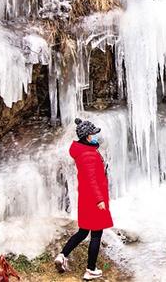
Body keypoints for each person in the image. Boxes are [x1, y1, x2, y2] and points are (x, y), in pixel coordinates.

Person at [54, 118, 114, 281]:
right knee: (96, 234)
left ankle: (62, 255)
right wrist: (99, 199)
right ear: (87, 136)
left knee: (82, 231)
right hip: (93, 200)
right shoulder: (88, 155)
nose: (95, 136)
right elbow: (91, 179)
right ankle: (90, 269)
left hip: (86, 198)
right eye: (93, 134)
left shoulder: (84, 151)